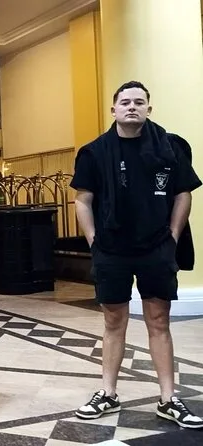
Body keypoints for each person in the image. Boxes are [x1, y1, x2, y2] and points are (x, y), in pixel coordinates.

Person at [72, 81, 203, 429]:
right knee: (113, 322)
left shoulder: (171, 146)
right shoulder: (93, 152)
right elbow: (82, 199)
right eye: (126, 102)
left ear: (149, 108)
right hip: (111, 249)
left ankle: (168, 398)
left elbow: (183, 193)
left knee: (159, 321)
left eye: (139, 102)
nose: (132, 106)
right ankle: (108, 393)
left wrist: (172, 236)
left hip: (156, 247)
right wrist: (94, 242)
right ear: (113, 109)